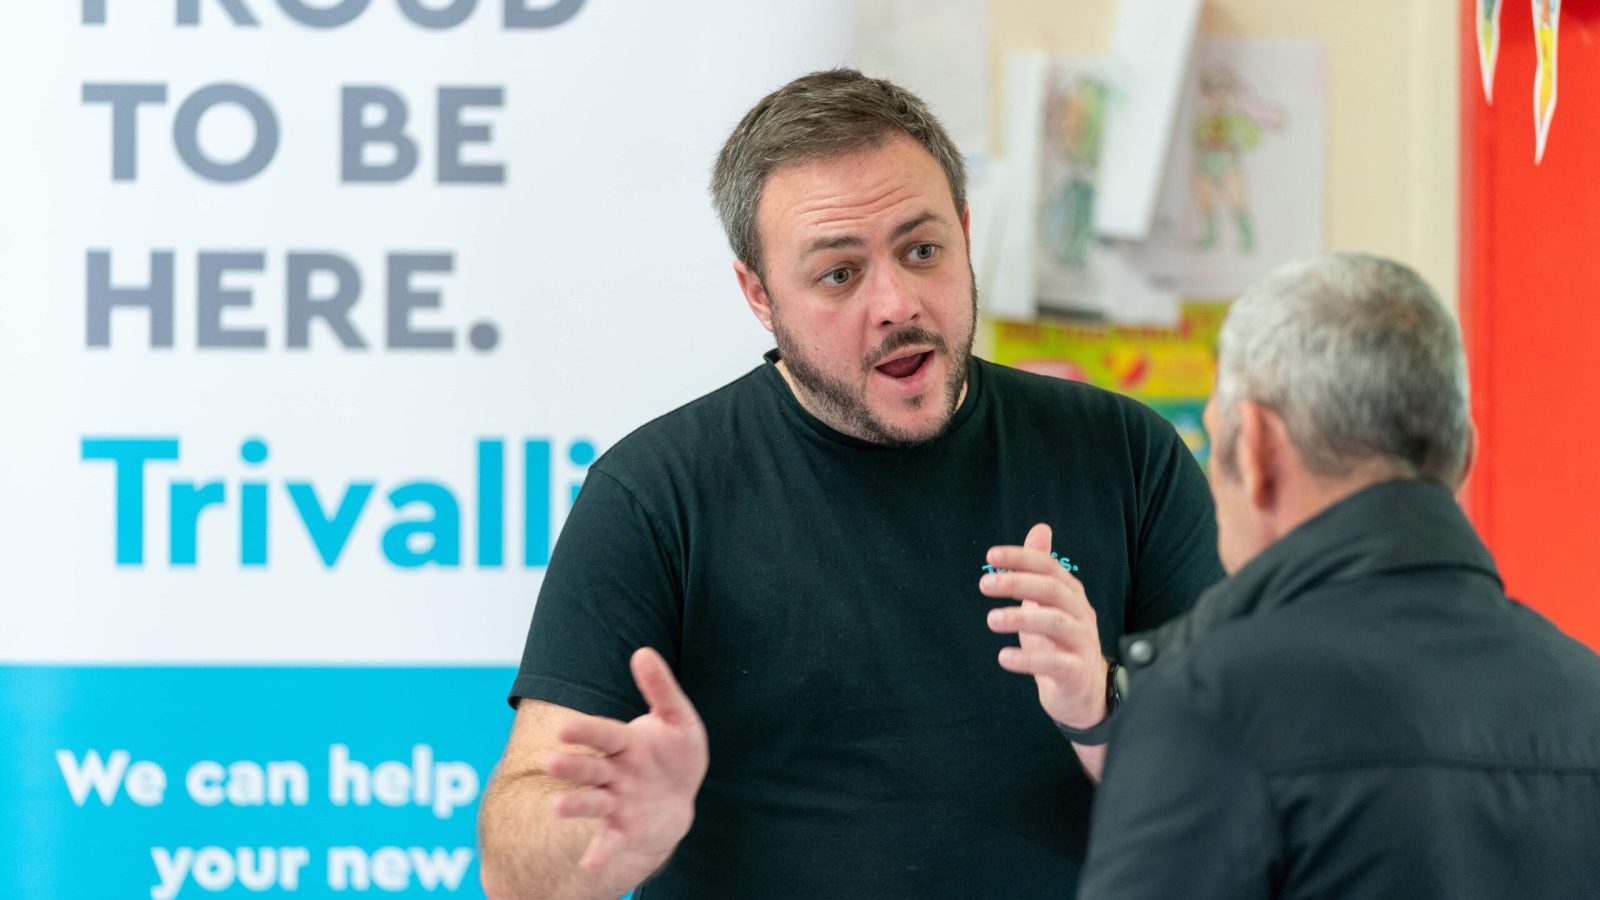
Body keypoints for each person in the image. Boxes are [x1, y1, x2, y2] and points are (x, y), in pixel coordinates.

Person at [477, 69, 1223, 899]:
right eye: (839, 274)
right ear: (759, 295)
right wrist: (612, 831)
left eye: (923, 251)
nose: (897, 302)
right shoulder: (654, 496)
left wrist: (1099, 712)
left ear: (967, 235)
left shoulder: (1127, 456)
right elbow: (515, 874)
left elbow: (1236, 823)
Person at [1079, 254, 1600, 899]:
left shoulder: (1208, 708)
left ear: (1257, 449)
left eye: (1216, 442)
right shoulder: (1587, 698)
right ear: (1464, 453)